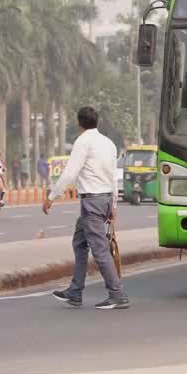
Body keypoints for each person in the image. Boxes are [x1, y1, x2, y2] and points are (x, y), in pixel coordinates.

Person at [45, 106, 129, 310]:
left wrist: (51, 197)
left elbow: (70, 173)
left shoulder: (83, 142)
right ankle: (75, 292)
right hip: (105, 198)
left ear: (79, 123)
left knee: (99, 250)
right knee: (79, 243)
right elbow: (112, 175)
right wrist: (114, 204)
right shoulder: (108, 143)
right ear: (96, 121)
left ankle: (117, 294)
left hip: (91, 202)